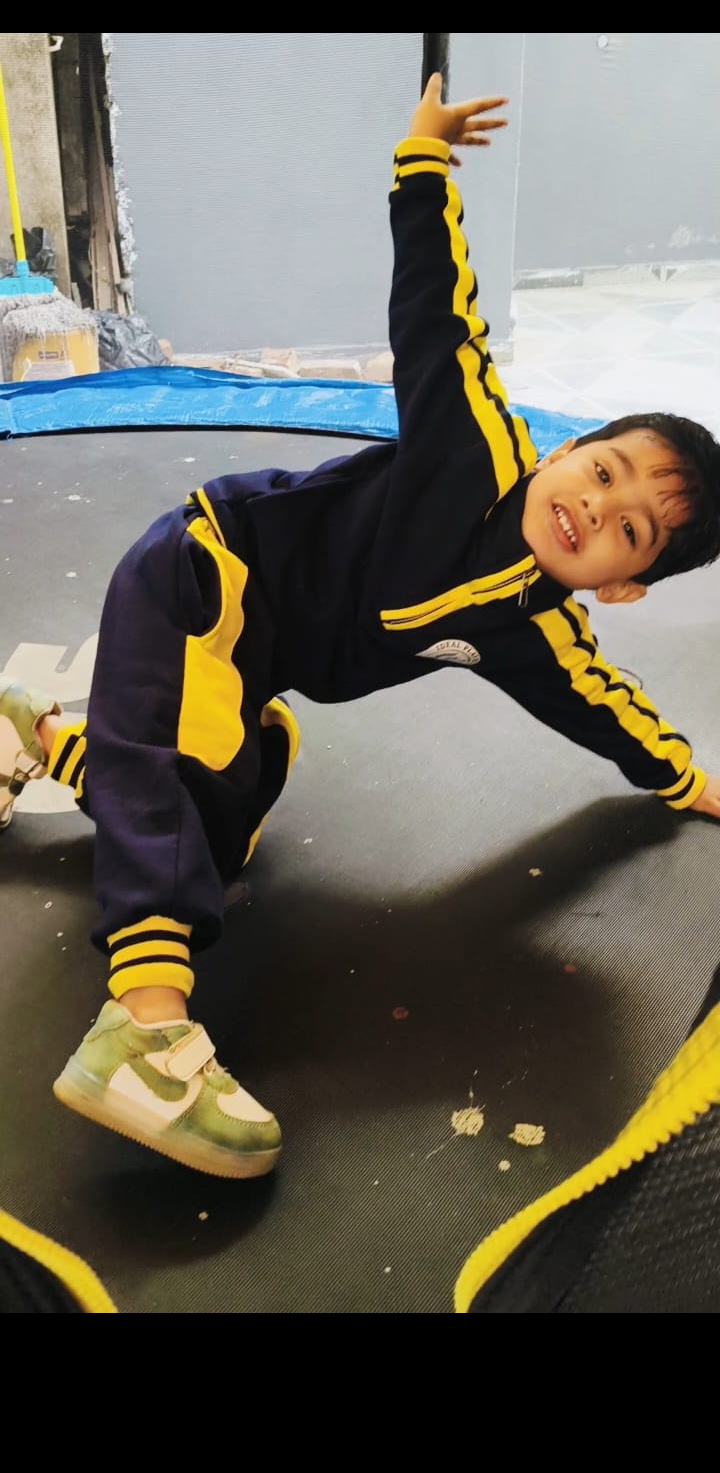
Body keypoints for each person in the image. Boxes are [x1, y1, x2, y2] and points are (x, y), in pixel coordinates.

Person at [2, 73, 720, 1180]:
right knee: (171, 789)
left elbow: (600, 707)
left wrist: (680, 776)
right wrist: (421, 162)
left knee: (222, 825)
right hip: (206, 571)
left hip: (254, 665)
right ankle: (143, 1034)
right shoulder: (474, 447)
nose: (594, 506)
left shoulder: (538, 631)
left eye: (629, 530)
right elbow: (437, 312)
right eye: (604, 469)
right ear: (568, 447)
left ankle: (46, 743)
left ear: (622, 586)